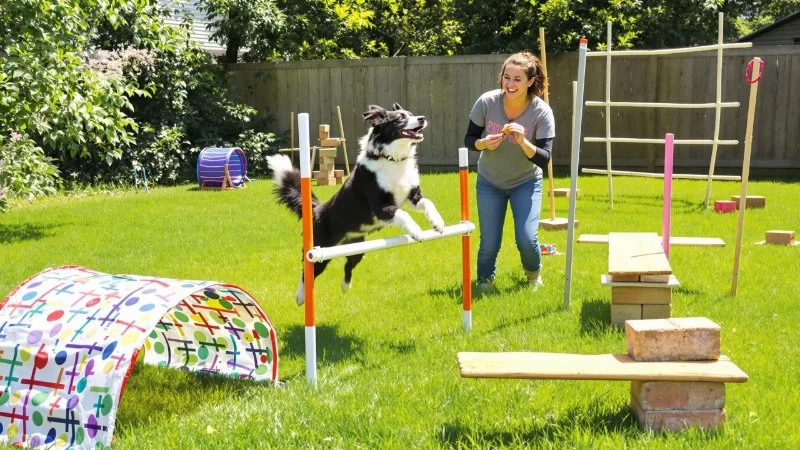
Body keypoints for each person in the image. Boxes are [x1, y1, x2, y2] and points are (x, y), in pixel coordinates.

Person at [463, 50, 555, 292]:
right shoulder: (487, 102)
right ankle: (484, 283)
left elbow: (545, 159)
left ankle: (534, 278)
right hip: (489, 181)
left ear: (530, 82)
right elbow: (469, 139)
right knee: (489, 242)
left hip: (525, 182)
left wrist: (523, 141)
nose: (510, 84)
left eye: (517, 79)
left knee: (526, 238)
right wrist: (482, 144)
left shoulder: (541, 112)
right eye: (507, 77)